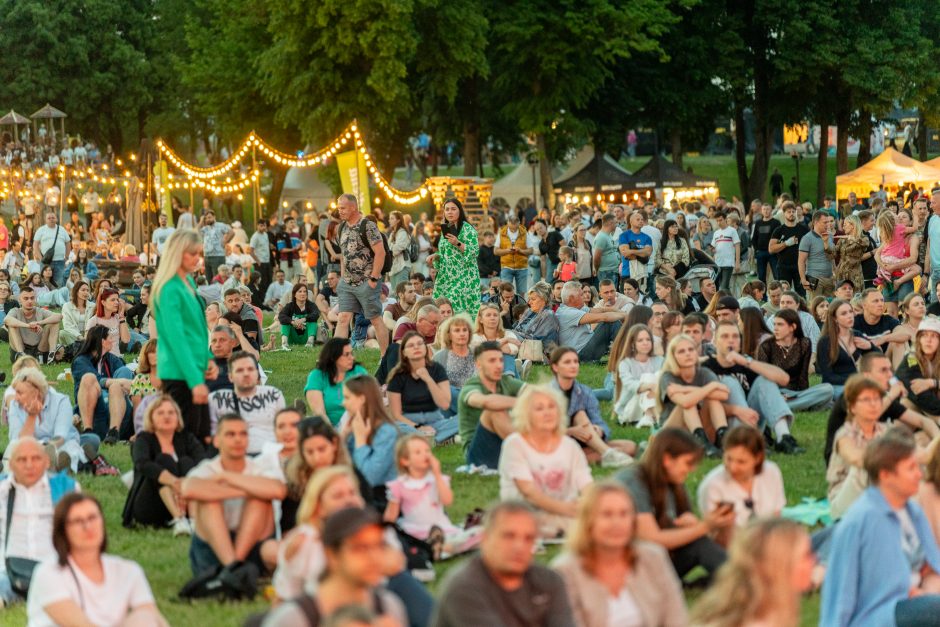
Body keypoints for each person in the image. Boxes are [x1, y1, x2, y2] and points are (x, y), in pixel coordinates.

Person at [821, 426, 940, 626]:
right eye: (911, 468)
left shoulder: (911, 510)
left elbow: (931, 564)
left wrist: (928, 590)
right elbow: (841, 590)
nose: (919, 474)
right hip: (878, 614)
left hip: (918, 598)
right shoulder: (862, 519)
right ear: (886, 475)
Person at [550, 481, 687, 627]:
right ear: (588, 521)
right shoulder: (566, 570)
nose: (617, 523)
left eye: (624, 514)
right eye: (607, 515)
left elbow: (676, 617)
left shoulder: (653, 557)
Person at [27, 494, 168, 626]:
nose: (88, 527)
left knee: (145, 617)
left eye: (92, 518)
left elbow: (154, 618)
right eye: (77, 521)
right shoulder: (49, 573)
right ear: (62, 531)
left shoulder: (128, 570)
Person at [432, 500, 575, 627]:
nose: (519, 546)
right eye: (508, 536)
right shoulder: (464, 587)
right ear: (485, 539)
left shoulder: (549, 581)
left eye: (528, 538)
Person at [615, 428, 732, 579]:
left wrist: (694, 525)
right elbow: (651, 539)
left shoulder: (674, 483)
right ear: (667, 459)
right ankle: (740, 580)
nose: (692, 469)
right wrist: (704, 527)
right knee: (699, 540)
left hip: (661, 561)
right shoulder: (633, 482)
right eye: (688, 463)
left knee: (699, 543)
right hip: (631, 567)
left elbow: (686, 530)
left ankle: (736, 579)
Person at [263, 507, 408, 626]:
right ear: (331, 555)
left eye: (380, 546)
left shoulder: (389, 607)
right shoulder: (294, 619)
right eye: (360, 548)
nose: (374, 557)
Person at [182, 413, 286, 576]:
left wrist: (225, 477)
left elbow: (278, 490)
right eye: (230, 434)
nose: (238, 440)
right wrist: (247, 489)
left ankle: (232, 570)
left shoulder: (258, 467)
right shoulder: (208, 468)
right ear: (217, 440)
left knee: (259, 501)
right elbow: (188, 489)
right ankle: (235, 570)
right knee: (210, 502)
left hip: (253, 545)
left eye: (243, 434)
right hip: (212, 548)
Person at [498, 384, 593, 538]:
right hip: (526, 514)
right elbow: (529, 493)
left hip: (567, 513)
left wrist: (588, 505)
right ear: (526, 414)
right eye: (539, 409)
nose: (547, 413)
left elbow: (587, 485)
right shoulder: (514, 444)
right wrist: (569, 510)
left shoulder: (570, 446)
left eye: (551, 407)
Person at [690, 518, 815, 627]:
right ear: (777, 564)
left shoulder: (770, 612)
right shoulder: (757, 622)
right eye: (806, 555)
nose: (814, 560)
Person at [0, 437, 80, 607]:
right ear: (11, 465)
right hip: (7, 570)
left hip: (54, 570)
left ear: (46, 462)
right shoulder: (2, 489)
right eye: (22, 459)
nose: (29, 465)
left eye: (36, 458)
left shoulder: (66, 488)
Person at [152, 229, 214, 443]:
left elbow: (196, 330)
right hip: (180, 373)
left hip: (194, 368)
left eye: (199, 253)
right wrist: (195, 380)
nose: (197, 258)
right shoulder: (170, 288)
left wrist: (208, 361)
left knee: (202, 436)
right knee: (185, 439)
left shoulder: (188, 283)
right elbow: (176, 338)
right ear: (177, 253)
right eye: (192, 253)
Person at [704, 320, 803, 454]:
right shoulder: (707, 367)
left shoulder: (744, 363)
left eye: (735, 336)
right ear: (715, 341)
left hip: (752, 419)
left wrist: (747, 362)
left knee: (765, 380)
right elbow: (705, 406)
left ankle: (784, 437)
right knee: (729, 382)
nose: (731, 341)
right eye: (725, 336)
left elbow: (784, 379)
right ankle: (748, 442)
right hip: (724, 427)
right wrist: (736, 410)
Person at [385, 435, 482, 559]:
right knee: (401, 545)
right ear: (405, 460)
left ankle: (441, 548)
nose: (425, 455)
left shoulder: (436, 480)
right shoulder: (399, 485)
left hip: (442, 530)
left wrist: (437, 474)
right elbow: (390, 516)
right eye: (418, 452)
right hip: (415, 532)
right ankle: (442, 548)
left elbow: (447, 501)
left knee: (480, 533)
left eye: (427, 451)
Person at [122, 395, 206, 534]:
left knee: (187, 462)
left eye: (171, 413)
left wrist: (185, 484)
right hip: (150, 506)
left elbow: (202, 461)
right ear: (151, 418)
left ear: (178, 417)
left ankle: (192, 519)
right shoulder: (143, 439)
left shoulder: (187, 438)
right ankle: (179, 519)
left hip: (186, 499)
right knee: (164, 460)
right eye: (160, 413)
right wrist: (175, 482)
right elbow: (142, 464)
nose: (166, 417)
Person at [7, 367, 108, 475]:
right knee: (15, 450)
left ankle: (62, 463)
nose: (16, 397)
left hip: (58, 443)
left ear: (36, 392)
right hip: (32, 445)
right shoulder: (15, 405)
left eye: (20, 393)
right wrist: (31, 416)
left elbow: (61, 437)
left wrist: (46, 449)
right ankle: (67, 463)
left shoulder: (60, 401)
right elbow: (17, 440)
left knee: (73, 447)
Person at [697, 425, 786, 543]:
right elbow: (718, 537)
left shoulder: (771, 473)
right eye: (729, 459)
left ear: (758, 458)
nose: (733, 467)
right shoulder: (714, 485)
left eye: (741, 462)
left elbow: (776, 517)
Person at [549, 347, 634, 467]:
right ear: (555, 367)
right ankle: (605, 454)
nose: (573, 366)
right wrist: (571, 431)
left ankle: (582, 458)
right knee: (580, 414)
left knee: (629, 446)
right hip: (558, 440)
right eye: (567, 362)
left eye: (575, 361)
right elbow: (541, 431)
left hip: (584, 439)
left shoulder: (585, 392)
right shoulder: (547, 394)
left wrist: (599, 430)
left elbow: (598, 421)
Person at [334, 194, 389, 356]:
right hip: (347, 283)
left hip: (367, 282)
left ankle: (385, 358)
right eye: (338, 208)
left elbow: (380, 253)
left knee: (375, 319)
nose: (340, 211)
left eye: (343, 208)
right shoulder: (341, 227)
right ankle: (336, 358)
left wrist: (373, 278)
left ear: (353, 207)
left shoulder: (368, 226)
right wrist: (342, 278)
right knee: (343, 318)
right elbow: (344, 255)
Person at [658, 335, 730, 457]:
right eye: (681, 351)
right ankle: (702, 444)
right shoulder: (667, 376)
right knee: (688, 404)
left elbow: (723, 394)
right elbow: (685, 402)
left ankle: (724, 439)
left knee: (713, 401)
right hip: (672, 434)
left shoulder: (704, 372)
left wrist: (685, 389)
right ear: (673, 357)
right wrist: (710, 387)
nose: (688, 354)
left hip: (704, 430)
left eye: (691, 350)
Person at [458, 342, 525, 469]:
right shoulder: (471, 386)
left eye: (500, 360)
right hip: (477, 455)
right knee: (494, 410)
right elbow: (485, 401)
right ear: (478, 364)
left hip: (504, 445)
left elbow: (535, 393)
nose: (499, 365)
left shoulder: (505, 381)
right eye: (492, 361)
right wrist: (523, 402)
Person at [757, 308, 833, 412]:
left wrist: (803, 394)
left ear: (793, 327)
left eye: (780, 324)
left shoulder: (804, 344)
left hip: (796, 394)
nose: (775, 328)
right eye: (774, 324)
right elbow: (762, 379)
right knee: (828, 403)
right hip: (775, 393)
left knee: (827, 389)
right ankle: (806, 405)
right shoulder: (766, 346)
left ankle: (793, 405)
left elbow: (803, 377)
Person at [209, 352, 286, 454]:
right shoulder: (215, 399)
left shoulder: (274, 394)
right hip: (232, 456)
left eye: (250, 369)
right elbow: (211, 436)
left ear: (258, 374)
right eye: (240, 370)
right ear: (230, 377)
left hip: (269, 456)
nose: (246, 374)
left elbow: (284, 429)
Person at [386, 331, 455, 445]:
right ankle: (438, 438)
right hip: (409, 422)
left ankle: (429, 437)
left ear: (426, 348)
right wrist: (418, 427)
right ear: (404, 353)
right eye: (411, 345)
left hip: (436, 420)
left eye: (419, 344)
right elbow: (396, 414)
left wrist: (428, 379)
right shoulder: (397, 376)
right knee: (393, 427)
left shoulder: (437, 369)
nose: (416, 347)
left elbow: (445, 404)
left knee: (464, 418)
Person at [341, 375, 401, 505]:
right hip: (356, 496)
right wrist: (343, 438)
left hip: (383, 500)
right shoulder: (355, 426)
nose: (343, 403)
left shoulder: (386, 432)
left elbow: (369, 478)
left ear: (362, 399)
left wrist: (360, 441)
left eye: (347, 397)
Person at [72, 325, 134, 443]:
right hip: (95, 408)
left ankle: (113, 432)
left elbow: (127, 380)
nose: (113, 340)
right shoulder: (80, 361)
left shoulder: (111, 359)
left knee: (123, 373)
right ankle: (88, 430)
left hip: (118, 404)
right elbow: (94, 381)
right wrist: (116, 382)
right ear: (102, 342)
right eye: (110, 337)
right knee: (90, 378)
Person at [427, 199, 480, 317]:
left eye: (453, 209)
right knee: (440, 306)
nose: (450, 212)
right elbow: (444, 253)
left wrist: (458, 243)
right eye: (447, 209)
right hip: (446, 277)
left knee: (454, 305)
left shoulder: (468, 229)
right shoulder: (445, 229)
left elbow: (474, 252)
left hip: (464, 276)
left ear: (459, 211)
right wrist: (435, 256)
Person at [818, 298, 879, 398]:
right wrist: (856, 380)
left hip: (858, 383)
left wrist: (870, 346)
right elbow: (828, 376)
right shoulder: (825, 342)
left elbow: (879, 358)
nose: (850, 316)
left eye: (851, 311)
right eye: (844, 313)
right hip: (837, 386)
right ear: (835, 318)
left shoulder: (857, 335)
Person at [555, 280, 626, 363]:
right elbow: (604, 317)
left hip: (584, 349)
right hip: (580, 355)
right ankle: (627, 356)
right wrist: (625, 315)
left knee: (613, 320)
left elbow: (601, 310)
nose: (584, 296)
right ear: (571, 298)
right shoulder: (568, 313)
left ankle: (626, 355)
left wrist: (618, 311)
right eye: (581, 295)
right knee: (611, 323)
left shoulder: (574, 308)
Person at [305, 337, 368, 425]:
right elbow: (320, 413)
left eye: (351, 353)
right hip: (328, 429)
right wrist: (335, 434)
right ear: (333, 357)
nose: (352, 358)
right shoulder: (317, 376)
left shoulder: (358, 372)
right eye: (346, 354)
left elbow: (369, 403)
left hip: (358, 425)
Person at [610, 323, 663, 427]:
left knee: (658, 375)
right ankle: (651, 416)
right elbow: (630, 385)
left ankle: (651, 416)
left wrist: (653, 387)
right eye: (640, 340)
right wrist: (649, 386)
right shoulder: (625, 363)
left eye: (648, 340)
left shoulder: (659, 360)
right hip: (632, 406)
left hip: (656, 399)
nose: (645, 343)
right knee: (647, 379)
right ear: (633, 344)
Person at [896, 316, 940, 417]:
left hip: (933, 403)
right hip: (920, 403)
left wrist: (933, 383)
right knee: (905, 403)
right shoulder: (911, 357)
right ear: (919, 339)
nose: (928, 340)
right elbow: (917, 390)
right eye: (924, 335)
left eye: (933, 336)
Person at [4, 287, 62, 364]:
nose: (30, 301)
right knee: (12, 325)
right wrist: (28, 325)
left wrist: (38, 323)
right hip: (21, 347)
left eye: (32, 298)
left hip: (40, 350)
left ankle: (51, 355)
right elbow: (7, 320)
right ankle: (21, 355)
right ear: (19, 300)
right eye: (26, 298)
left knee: (54, 322)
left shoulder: (39, 310)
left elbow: (59, 316)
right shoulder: (15, 311)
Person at [769, 201, 809, 296]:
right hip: (783, 266)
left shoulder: (803, 229)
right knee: (784, 293)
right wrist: (786, 243)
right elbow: (771, 249)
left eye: (793, 211)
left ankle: (801, 310)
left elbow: (810, 247)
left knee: (801, 293)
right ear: (784, 214)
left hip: (800, 266)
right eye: (788, 212)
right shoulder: (779, 230)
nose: (791, 214)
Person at [513, 281, 560, 361]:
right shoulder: (529, 312)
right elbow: (518, 329)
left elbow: (536, 340)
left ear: (544, 299)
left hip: (538, 352)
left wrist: (514, 334)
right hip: (522, 345)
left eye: (533, 299)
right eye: (529, 299)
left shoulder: (548, 315)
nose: (529, 302)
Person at [471, 302, 521, 374]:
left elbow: (513, 350)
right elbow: (478, 353)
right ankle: (514, 374)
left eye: (495, 315)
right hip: (482, 372)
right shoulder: (474, 337)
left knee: (506, 356)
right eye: (488, 315)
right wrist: (505, 341)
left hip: (503, 369)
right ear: (480, 319)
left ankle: (509, 377)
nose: (492, 318)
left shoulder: (508, 334)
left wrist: (489, 349)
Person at [798, 210, 836, 300]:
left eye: (829, 222)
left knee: (830, 309)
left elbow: (831, 257)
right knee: (814, 308)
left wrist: (835, 272)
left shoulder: (830, 236)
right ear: (815, 222)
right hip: (815, 279)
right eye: (825, 222)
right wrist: (803, 279)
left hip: (830, 279)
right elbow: (801, 261)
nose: (828, 224)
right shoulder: (807, 238)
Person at [495, 213, 533, 296]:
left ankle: (520, 308)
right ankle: (506, 308)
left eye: (515, 229)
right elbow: (496, 251)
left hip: (522, 266)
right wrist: (507, 251)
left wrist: (520, 251)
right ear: (508, 223)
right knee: (505, 291)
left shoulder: (524, 232)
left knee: (521, 293)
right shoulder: (502, 233)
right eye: (511, 228)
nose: (513, 230)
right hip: (506, 266)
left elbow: (531, 250)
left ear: (519, 223)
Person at [32, 210, 71, 286]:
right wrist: (40, 258)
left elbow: (68, 243)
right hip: (46, 261)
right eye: (49, 218)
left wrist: (66, 257)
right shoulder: (41, 230)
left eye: (53, 217)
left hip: (59, 261)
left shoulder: (62, 229)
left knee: (58, 283)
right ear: (45, 220)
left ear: (56, 219)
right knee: (44, 283)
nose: (51, 219)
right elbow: (35, 245)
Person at [277, 282, 319, 350]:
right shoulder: (290, 306)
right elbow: (281, 316)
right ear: (295, 294)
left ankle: (310, 342)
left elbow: (316, 314)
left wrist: (304, 319)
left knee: (312, 321)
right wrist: (293, 322)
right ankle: (284, 343)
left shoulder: (311, 305)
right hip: (293, 337)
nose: (303, 293)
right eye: (300, 291)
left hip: (306, 336)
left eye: (305, 291)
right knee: (285, 322)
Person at [835, 213, 869, 297]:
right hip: (841, 274)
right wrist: (825, 242)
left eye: (845, 224)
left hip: (854, 275)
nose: (843, 227)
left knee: (855, 300)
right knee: (841, 300)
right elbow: (832, 254)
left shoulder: (863, 238)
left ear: (853, 225)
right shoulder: (842, 240)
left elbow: (864, 244)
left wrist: (853, 239)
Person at [199, 209, 234, 279]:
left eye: (209, 217)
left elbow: (231, 232)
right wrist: (201, 222)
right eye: (206, 218)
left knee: (218, 278)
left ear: (214, 217)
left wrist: (225, 241)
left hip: (218, 256)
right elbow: (195, 232)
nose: (208, 219)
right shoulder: (205, 228)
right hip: (207, 256)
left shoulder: (220, 225)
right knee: (209, 279)